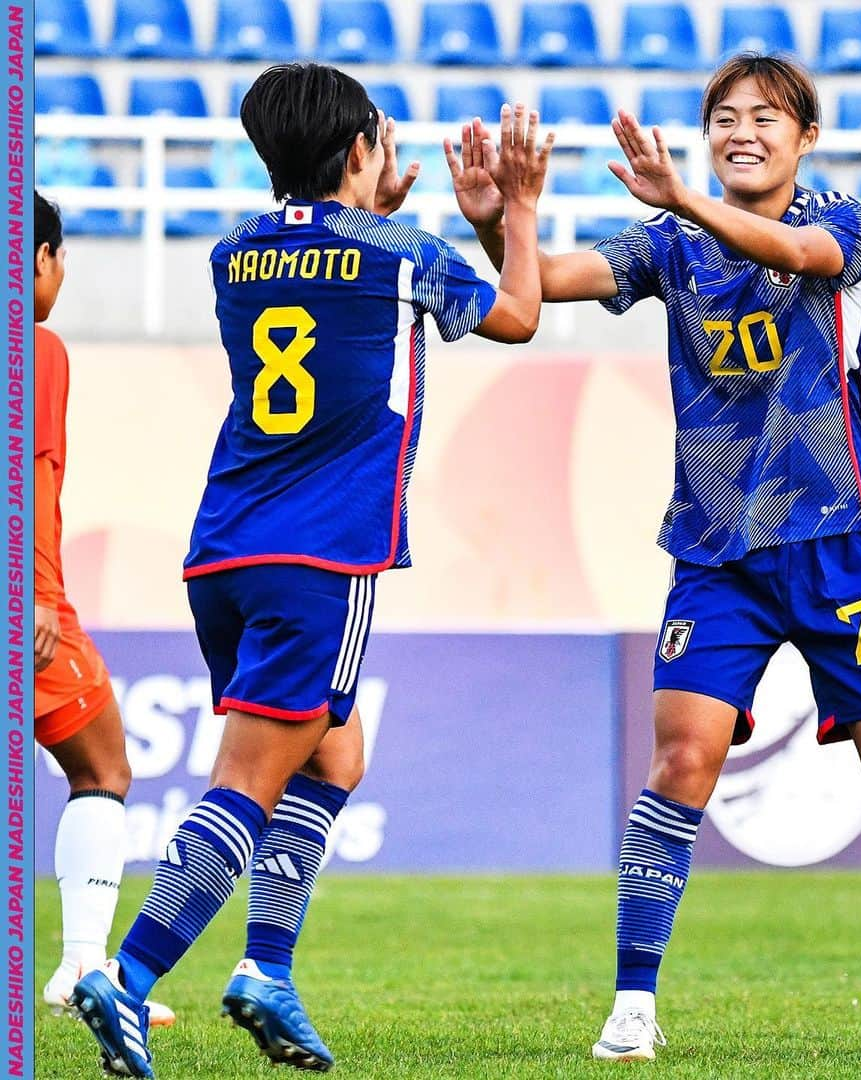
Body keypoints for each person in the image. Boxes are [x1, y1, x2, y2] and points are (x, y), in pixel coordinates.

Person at [448, 53, 861, 1061]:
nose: (743, 130)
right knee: (680, 760)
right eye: (726, 117)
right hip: (716, 552)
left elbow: (797, 251)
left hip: (841, 547)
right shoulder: (669, 246)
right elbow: (546, 287)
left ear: (805, 138)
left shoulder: (843, 222)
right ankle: (633, 1002)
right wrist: (504, 217)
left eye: (765, 118)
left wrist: (685, 198)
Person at [72, 64, 553, 1079]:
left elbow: (326, 269)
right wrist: (515, 209)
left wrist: (368, 206)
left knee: (333, 759)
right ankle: (124, 978)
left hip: (227, 551)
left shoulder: (234, 252)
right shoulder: (402, 252)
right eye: (377, 142)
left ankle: (266, 972)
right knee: (250, 782)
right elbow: (517, 313)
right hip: (322, 553)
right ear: (360, 155)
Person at [33, 192, 175, 1031]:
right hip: (28, 601)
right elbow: (32, 473)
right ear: (39, 258)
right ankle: (84, 966)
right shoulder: (36, 347)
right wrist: (38, 597)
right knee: (102, 767)